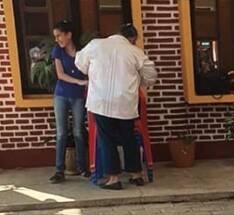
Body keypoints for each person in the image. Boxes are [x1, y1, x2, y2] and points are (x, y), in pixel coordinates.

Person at [75, 23, 156, 190]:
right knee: (129, 138)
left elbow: (80, 62)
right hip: (125, 103)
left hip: (101, 102)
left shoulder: (96, 44)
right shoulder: (134, 51)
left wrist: (91, 72)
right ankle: (136, 175)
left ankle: (114, 178)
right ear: (132, 39)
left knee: (107, 139)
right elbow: (151, 73)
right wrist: (142, 83)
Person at [48, 20, 88, 184]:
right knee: (61, 133)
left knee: (78, 131)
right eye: (55, 37)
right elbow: (60, 74)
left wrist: (86, 81)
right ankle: (59, 170)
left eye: (59, 36)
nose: (57, 39)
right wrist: (79, 82)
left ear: (69, 35)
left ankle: (83, 168)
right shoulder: (57, 51)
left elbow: (88, 71)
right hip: (61, 95)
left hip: (78, 96)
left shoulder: (82, 52)